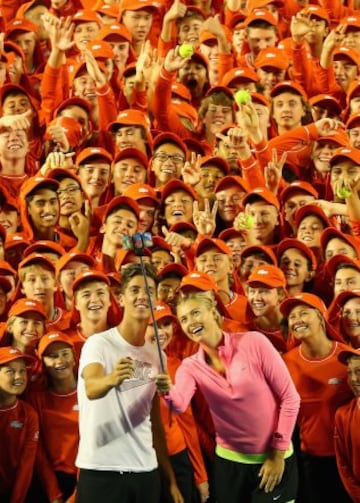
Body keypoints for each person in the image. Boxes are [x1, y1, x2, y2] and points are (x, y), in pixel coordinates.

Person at [156, 290, 300, 503]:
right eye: (184, 319)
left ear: (213, 313)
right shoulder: (190, 366)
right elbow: (178, 404)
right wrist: (166, 389)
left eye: (196, 313)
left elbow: (290, 398)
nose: (190, 322)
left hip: (274, 458)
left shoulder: (254, 342)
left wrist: (278, 454)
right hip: (228, 463)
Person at [75, 263, 183, 503]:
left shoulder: (158, 356)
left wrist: (170, 478)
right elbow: (91, 387)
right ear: (120, 298)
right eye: (134, 290)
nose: (142, 296)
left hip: (146, 472)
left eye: (149, 291)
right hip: (100, 472)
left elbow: (154, 422)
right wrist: (111, 379)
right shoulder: (98, 344)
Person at [281, 293, 353, 503]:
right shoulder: (286, 363)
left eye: (304, 313)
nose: (297, 320)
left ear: (321, 318)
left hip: (348, 461)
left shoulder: (347, 358)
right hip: (309, 460)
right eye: (292, 317)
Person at [0, 346, 39, 503]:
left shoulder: (29, 414)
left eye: (22, 371)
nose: (19, 377)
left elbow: (26, 466)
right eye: (10, 371)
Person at [335, 347, 360, 502]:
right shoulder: (342, 415)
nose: (353, 379)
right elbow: (343, 464)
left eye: (359, 371)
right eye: (349, 373)